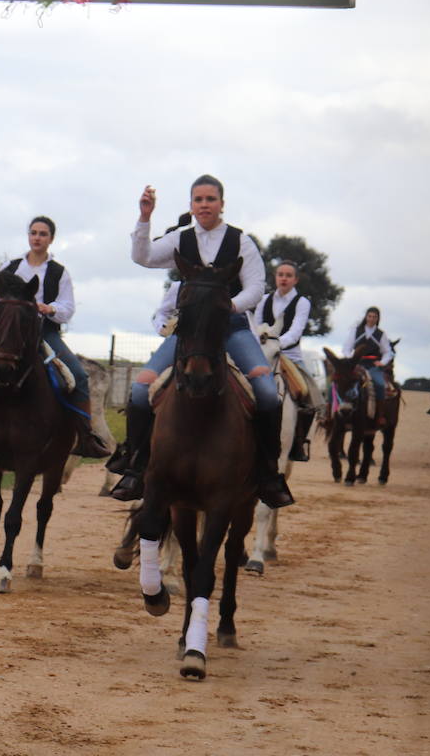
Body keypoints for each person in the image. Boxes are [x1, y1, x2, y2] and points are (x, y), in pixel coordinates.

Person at [106, 178, 293, 508]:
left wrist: (228, 306)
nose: (204, 204)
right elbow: (143, 256)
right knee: (140, 389)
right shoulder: (181, 239)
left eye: (210, 199)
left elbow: (255, 287)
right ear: (191, 205)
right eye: (198, 199)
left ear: (222, 203)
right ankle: (135, 467)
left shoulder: (241, 242)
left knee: (266, 392)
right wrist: (145, 217)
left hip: (232, 328)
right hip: (189, 332)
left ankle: (267, 474)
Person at [0, 216, 111, 458]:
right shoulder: (11, 267)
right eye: (33, 232)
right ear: (28, 236)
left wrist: (50, 308)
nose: (37, 237)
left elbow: (68, 307)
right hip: (12, 334)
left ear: (51, 239)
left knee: (77, 376)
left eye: (43, 234)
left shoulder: (59, 272)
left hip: (45, 332)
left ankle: (85, 436)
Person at [253, 260, 323, 461]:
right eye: (280, 274)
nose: (283, 278)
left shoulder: (302, 302)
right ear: (275, 277)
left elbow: (295, 331)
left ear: (295, 279)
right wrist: (263, 345)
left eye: (288, 275)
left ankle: (298, 443)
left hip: (289, 356)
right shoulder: (263, 299)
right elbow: (256, 326)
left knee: (303, 391)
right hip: (262, 354)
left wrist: (275, 344)